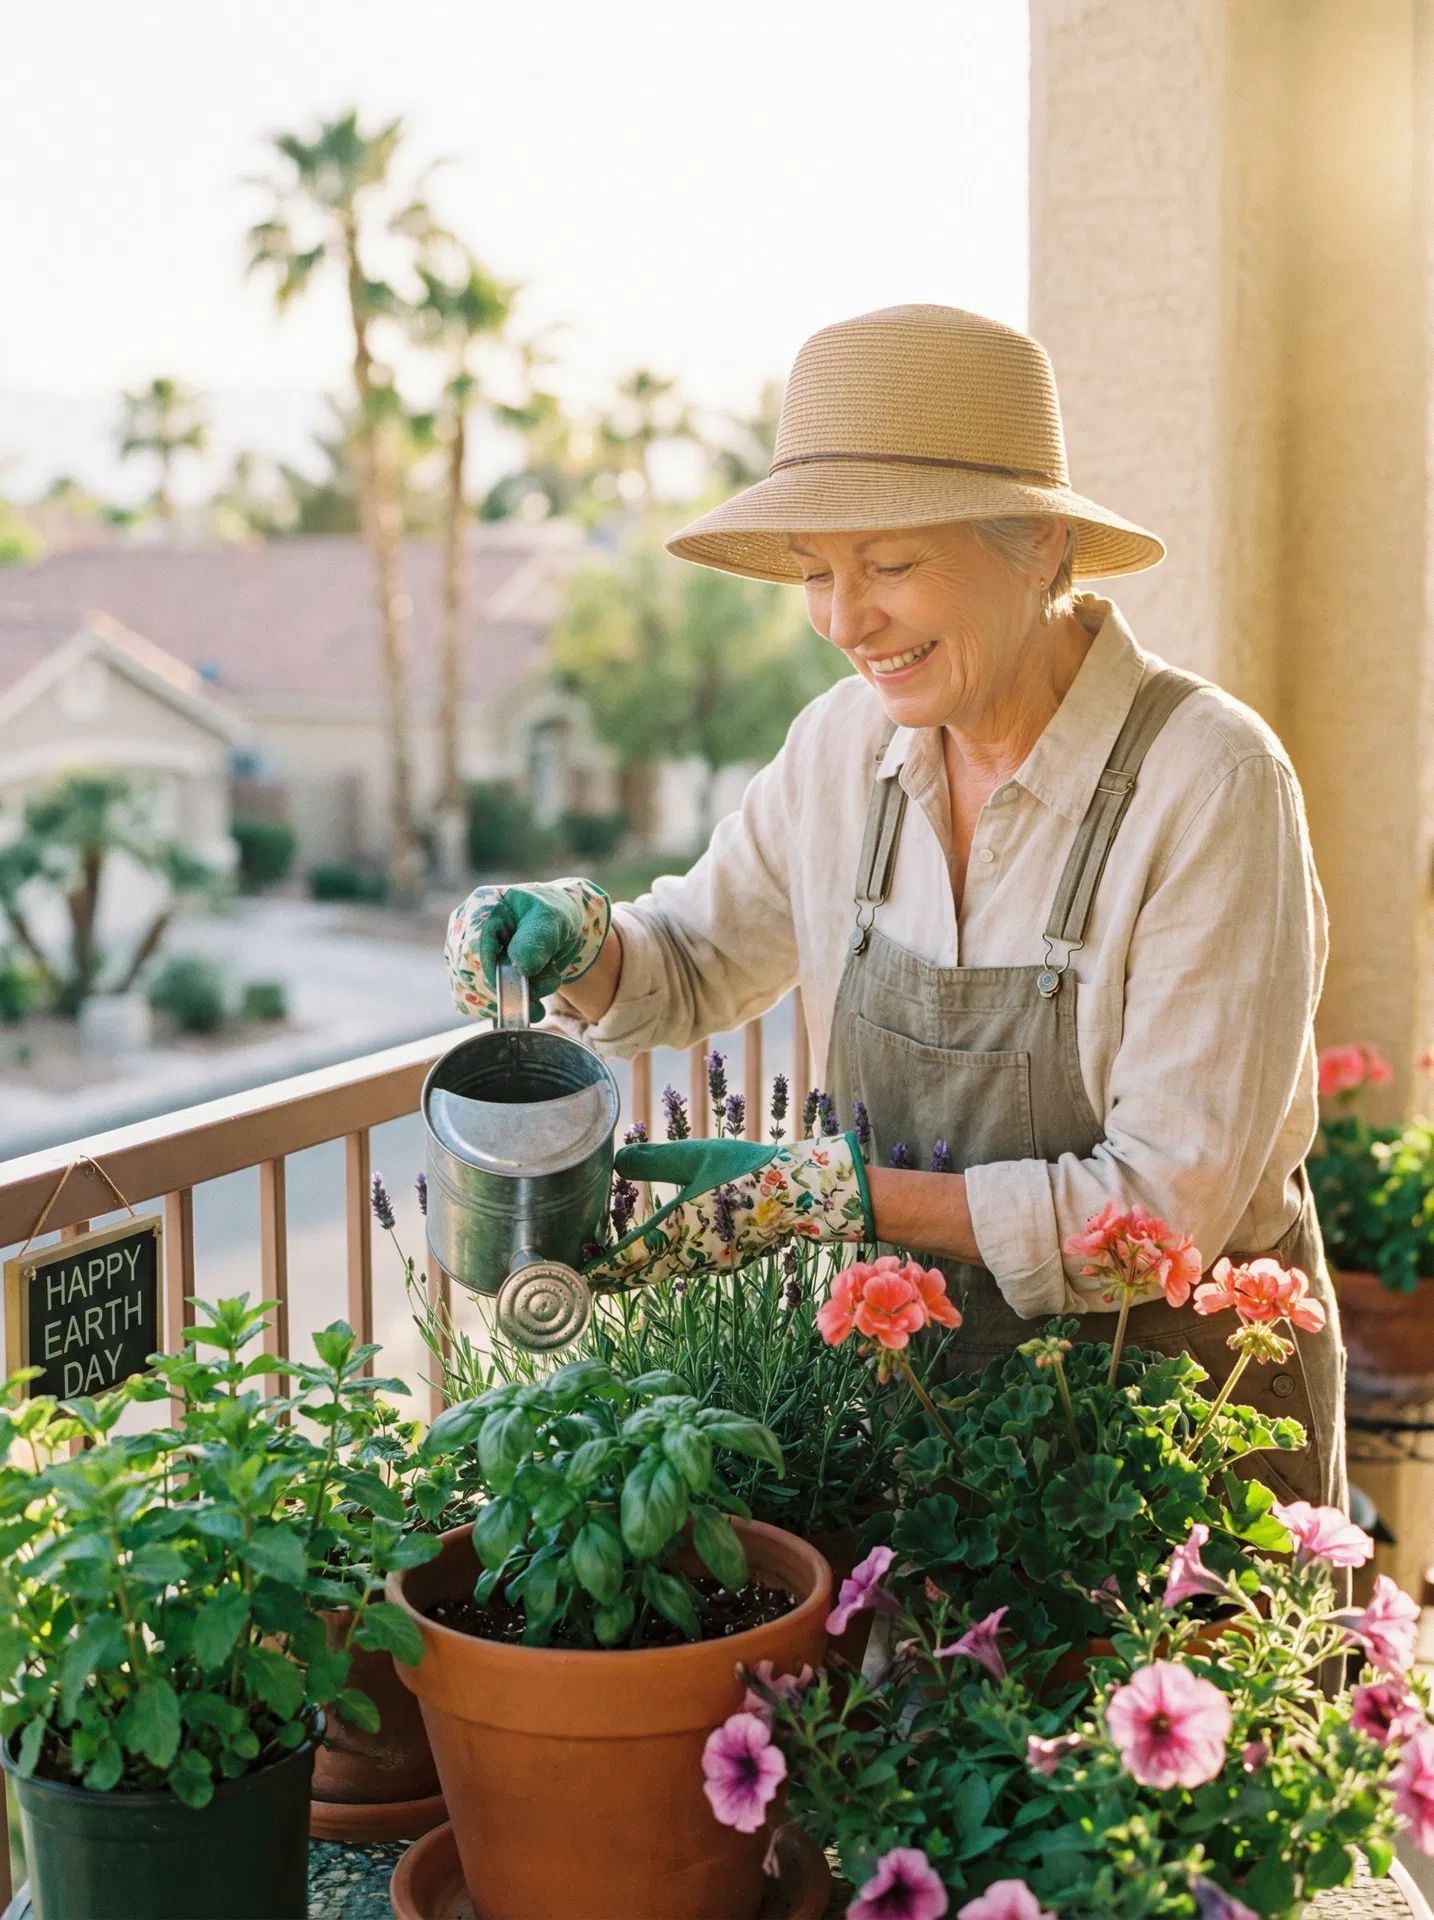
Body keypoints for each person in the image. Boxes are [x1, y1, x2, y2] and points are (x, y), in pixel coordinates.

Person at [446, 304, 1343, 1510]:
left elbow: (1163, 1211)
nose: (842, 619)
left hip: (1179, 1435)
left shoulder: (1210, 784)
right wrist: (583, 936)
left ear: (1038, 546)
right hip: (924, 1414)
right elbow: (695, 961)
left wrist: (835, 1196)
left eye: (891, 564)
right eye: (819, 571)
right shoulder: (842, 747)